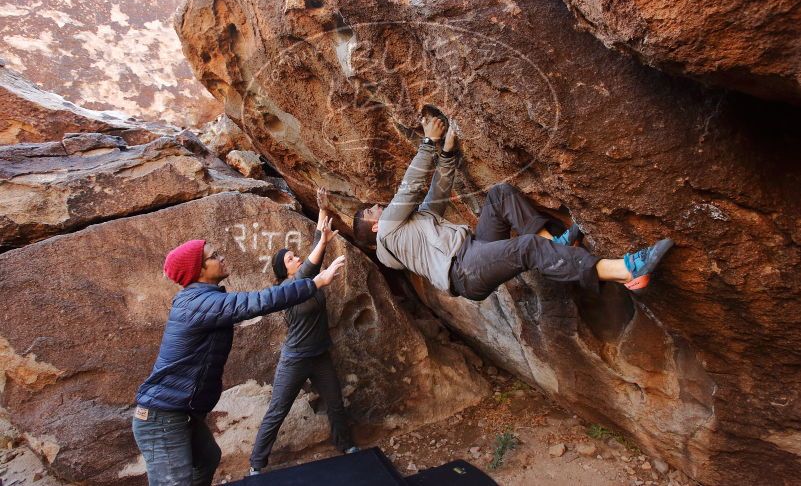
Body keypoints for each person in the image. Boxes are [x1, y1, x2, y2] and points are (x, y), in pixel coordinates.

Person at [352, 106, 673, 301]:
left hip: (473, 250)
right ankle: (626, 268)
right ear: (375, 227)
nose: (377, 206)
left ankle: (556, 243)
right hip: (465, 270)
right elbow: (410, 189)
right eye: (371, 212)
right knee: (526, 249)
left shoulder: (412, 227)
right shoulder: (387, 236)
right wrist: (428, 142)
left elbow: (435, 195)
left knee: (500, 196)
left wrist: (447, 153)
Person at [133, 238, 345, 486]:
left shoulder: (201, 299)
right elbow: (257, 302)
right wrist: (316, 282)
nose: (222, 257)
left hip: (181, 413)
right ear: (198, 270)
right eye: (214, 256)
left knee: (209, 458)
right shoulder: (198, 303)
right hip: (162, 418)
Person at [249, 189, 357, 475]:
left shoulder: (304, 276)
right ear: (284, 272)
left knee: (335, 402)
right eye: (290, 259)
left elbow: (315, 251)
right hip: (295, 359)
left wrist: (322, 212)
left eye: (296, 256)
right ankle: (256, 465)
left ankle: (346, 446)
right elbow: (314, 274)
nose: (297, 259)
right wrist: (324, 274)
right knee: (277, 411)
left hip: (319, 353)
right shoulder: (285, 291)